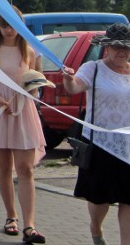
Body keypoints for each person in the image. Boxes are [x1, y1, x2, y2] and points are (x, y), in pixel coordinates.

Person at [0, 9, 47, 244]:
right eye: (4, 24)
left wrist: (32, 91)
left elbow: (36, 83)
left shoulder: (30, 51)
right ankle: (11, 216)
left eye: (12, 24)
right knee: (4, 168)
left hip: (22, 110)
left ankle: (30, 225)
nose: (8, 29)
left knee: (26, 168)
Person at [61, 23, 130, 245]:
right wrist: (69, 78)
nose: (122, 52)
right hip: (101, 144)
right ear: (106, 47)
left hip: (128, 147)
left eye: (127, 48)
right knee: (101, 200)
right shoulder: (94, 68)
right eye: (117, 46)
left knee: (128, 200)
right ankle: (96, 228)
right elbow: (74, 87)